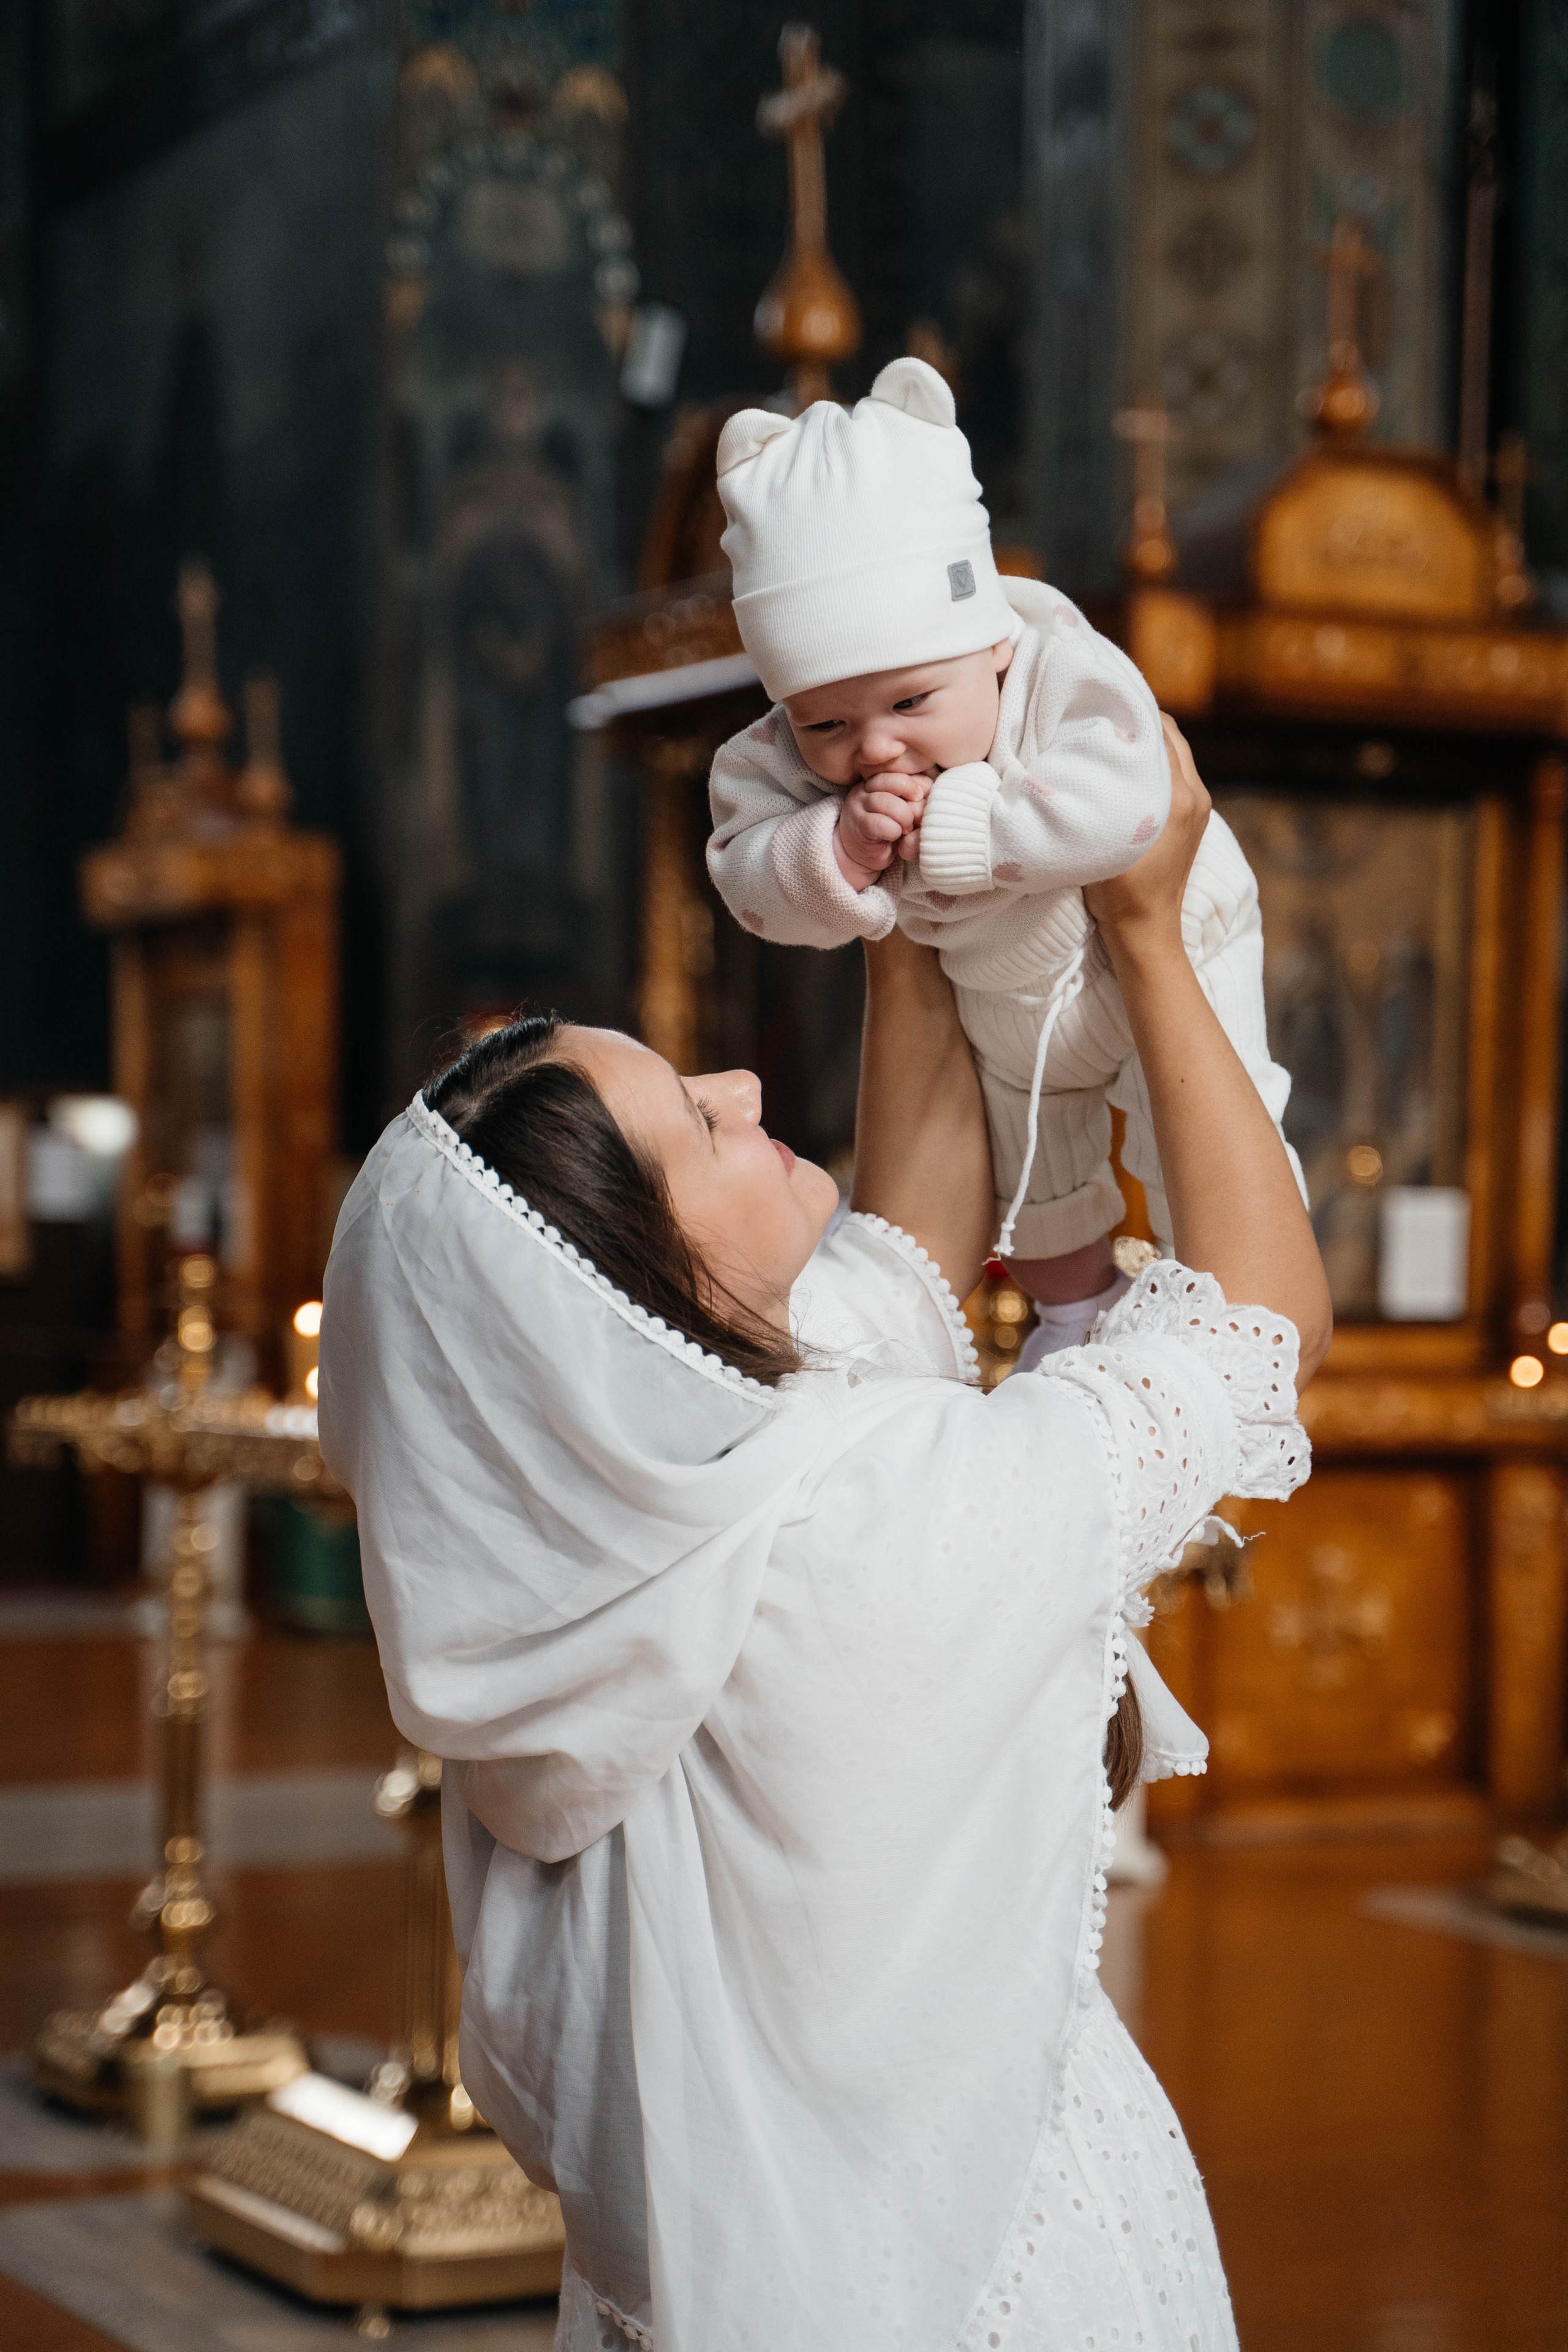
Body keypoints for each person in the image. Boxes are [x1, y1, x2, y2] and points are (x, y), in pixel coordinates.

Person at [319, 723, 1330, 2352]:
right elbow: (1266, 1332)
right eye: (697, 1130)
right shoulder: (869, 1526)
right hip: (1004, 2272)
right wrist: (1149, 923)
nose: (737, 1088)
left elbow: (911, 1255)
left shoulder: (619, 1526)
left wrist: (911, 865)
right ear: (644, 1301)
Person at [706, 356, 1303, 1355]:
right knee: (1034, 1175)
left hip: (1167, 943)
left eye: (909, 704)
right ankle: (1076, 1313)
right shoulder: (789, 755)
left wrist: (962, 829)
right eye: (828, 724)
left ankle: (1217, 1307)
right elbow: (745, 874)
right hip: (1001, 989)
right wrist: (832, 852)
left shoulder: (1055, 661)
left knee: (1198, 1129)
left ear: (985, 642)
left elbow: (1133, 802)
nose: (874, 748)